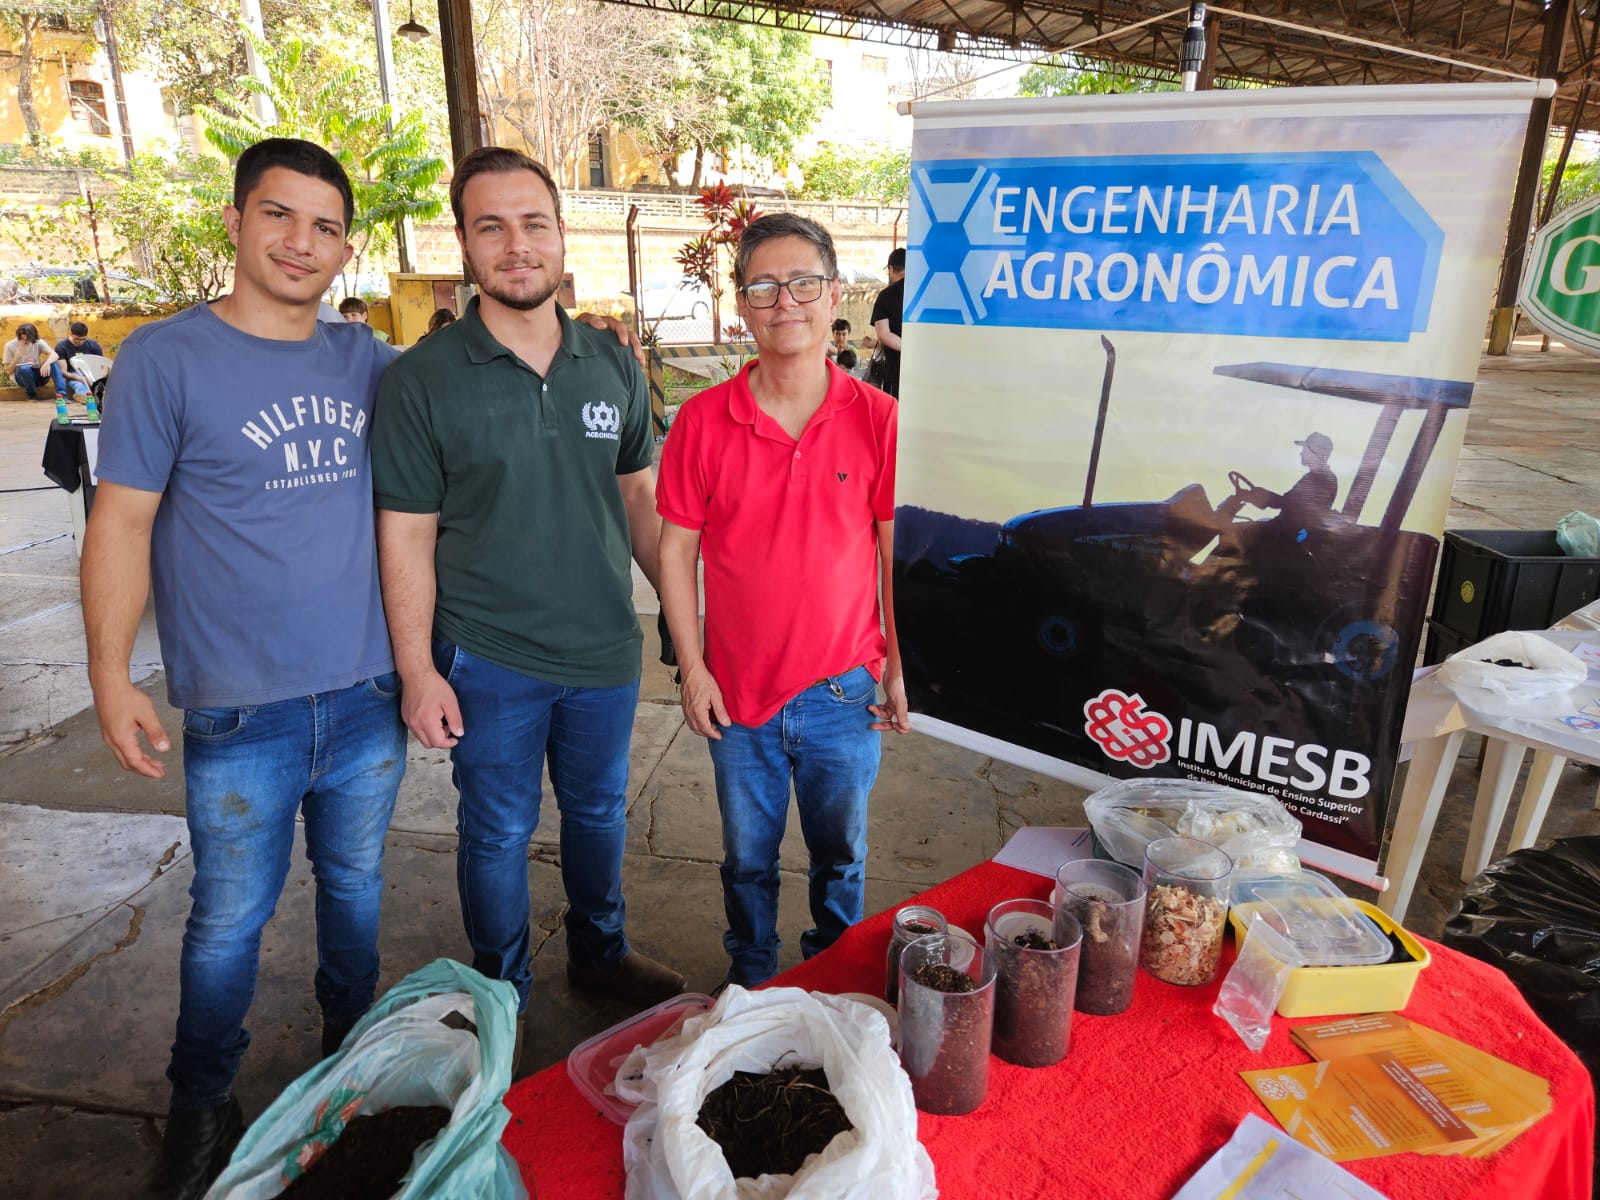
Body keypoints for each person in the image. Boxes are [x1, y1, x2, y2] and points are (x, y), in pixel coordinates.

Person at [81, 138, 408, 1200]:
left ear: (345, 246)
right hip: (239, 714)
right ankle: (199, 1103)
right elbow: (121, 524)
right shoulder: (164, 361)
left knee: (357, 893)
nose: (299, 242)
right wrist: (110, 673)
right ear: (233, 222)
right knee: (227, 921)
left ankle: (348, 1068)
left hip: (367, 695)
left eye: (322, 226)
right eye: (278, 216)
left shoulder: (366, 360)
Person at [371, 147, 685, 1062]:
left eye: (533, 222)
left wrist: (685, 623)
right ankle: (498, 992)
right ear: (465, 244)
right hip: (488, 659)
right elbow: (407, 535)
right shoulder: (423, 380)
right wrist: (419, 669)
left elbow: (639, 499)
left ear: (560, 232)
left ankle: (600, 953)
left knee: (598, 815)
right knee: (498, 829)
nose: (516, 246)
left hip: (600, 651)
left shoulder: (611, 365)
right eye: (491, 227)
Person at [657, 212, 907, 989]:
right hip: (737, 697)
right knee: (747, 859)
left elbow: (894, 556)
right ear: (741, 304)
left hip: (844, 691)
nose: (784, 301)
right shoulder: (702, 421)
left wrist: (899, 665)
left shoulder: (879, 420)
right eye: (763, 286)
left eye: (803, 282)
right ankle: (752, 980)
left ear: (834, 296)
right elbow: (675, 551)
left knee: (841, 856)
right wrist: (691, 668)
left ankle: (834, 977)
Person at [1246, 431, 1339, 539]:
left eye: (1305, 450)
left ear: (1316, 452)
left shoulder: (1320, 479)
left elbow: (1291, 504)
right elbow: (1290, 502)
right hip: (1286, 530)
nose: (1301, 453)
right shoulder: (1320, 477)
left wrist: (1263, 497)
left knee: (1238, 532)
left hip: (1286, 534)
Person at [869, 246, 906, 398]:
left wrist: (908, 350)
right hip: (924, 369)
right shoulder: (922, 293)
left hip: (895, 373)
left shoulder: (886, 296)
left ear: (891, 268)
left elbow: (884, 334)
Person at [4, 322, 59, 400]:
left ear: (34, 337)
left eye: (27, 339)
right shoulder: (10, 346)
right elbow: (8, 372)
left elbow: (55, 355)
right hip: (22, 378)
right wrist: (16, 357)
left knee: (53, 363)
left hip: (38, 375)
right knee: (25, 368)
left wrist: (47, 363)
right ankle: (32, 396)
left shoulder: (38, 342)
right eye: (21, 339)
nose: (24, 342)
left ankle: (62, 394)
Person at [52, 321, 105, 398]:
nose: (80, 342)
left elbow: (103, 365)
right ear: (71, 334)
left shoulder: (93, 345)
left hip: (91, 373)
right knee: (79, 385)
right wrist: (80, 379)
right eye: (77, 339)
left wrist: (100, 377)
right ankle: (84, 397)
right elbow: (63, 371)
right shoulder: (61, 347)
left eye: (83, 339)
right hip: (73, 375)